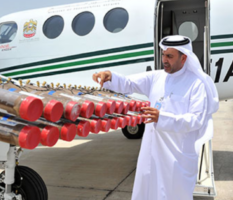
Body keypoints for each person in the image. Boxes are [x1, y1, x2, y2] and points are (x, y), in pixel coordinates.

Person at [93, 35, 219, 200]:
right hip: (151, 152)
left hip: (177, 156)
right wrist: (110, 76)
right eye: (163, 55)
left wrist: (162, 118)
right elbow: (128, 83)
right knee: (147, 192)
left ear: (184, 58)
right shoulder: (157, 77)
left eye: (170, 56)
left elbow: (196, 120)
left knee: (173, 194)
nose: (164, 60)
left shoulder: (196, 84)